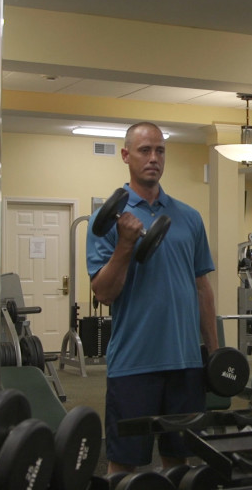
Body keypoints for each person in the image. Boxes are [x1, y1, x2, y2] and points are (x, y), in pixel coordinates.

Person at [87, 121, 218, 474]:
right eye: (145, 150)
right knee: (124, 465)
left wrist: (214, 352)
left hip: (185, 362)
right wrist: (126, 244)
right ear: (126, 155)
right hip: (134, 362)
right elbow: (103, 292)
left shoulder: (189, 217)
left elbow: (202, 287)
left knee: (179, 460)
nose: (153, 158)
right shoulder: (109, 221)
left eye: (160, 150)